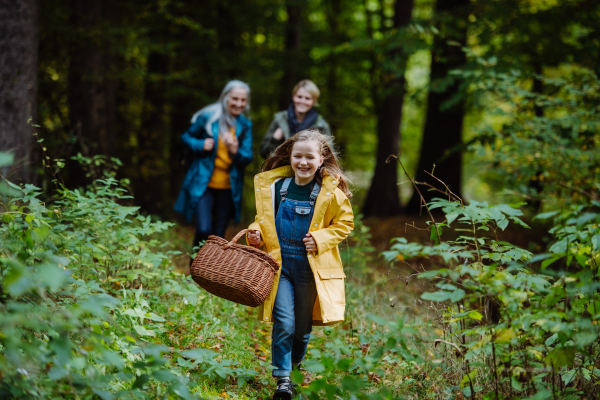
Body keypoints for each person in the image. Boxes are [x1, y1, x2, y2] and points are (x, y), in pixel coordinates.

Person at [247, 129, 354, 399]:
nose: (303, 163)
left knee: (303, 327)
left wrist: (320, 238)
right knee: (284, 321)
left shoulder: (328, 192)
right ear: (290, 157)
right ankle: (282, 379)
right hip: (280, 266)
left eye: (309, 157)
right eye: (298, 156)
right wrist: (254, 233)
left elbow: (345, 223)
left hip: (310, 269)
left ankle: (293, 369)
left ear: (321, 159)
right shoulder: (277, 187)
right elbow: (262, 220)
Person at [174, 80, 253, 254]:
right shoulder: (208, 118)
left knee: (218, 235)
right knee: (203, 228)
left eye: (243, 100)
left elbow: (247, 157)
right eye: (235, 99)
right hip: (204, 184)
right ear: (225, 97)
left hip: (228, 188)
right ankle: (194, 266)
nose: (239, 104)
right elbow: (186, 137)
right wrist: (200, 143)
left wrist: (234, 151)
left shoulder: (245, 125)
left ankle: (209, 274)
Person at [260, 80, 331, 159]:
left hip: (307, 170)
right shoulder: (280, 120)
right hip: (281, 169)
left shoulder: (321, 125)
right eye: (299, 97)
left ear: (314, 101)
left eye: (307, 98)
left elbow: (330, 157)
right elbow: (264, 153)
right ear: (293, 97)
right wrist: (275, 140)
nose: (302, 101)